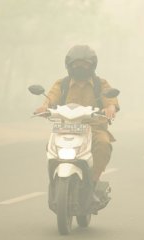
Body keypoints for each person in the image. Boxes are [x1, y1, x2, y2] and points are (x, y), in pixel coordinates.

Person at [34, 45, 119, 188]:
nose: (80, 67)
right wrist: (44, 107)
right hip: (65, 127)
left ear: (92, 66)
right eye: (76, 64)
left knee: (104, 144)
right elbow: (51, 97)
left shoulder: (100, 83)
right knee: (50, 145)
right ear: (69, 65)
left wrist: (110, 107)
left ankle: (93, 180)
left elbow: (110, 100)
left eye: (84, 64)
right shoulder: (62, 84)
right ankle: (54, 179)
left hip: (94, 128)